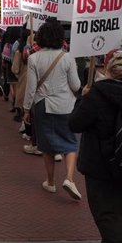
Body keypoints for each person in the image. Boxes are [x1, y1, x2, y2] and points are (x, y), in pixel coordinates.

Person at [70, 49, 122, 243]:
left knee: (106, 215)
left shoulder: (97, 94)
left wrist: (82, 99)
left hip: (99, 164)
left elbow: (75, 124)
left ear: (109, 68)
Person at [22, 20, 82, 200]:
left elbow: (31, 88)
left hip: (43, 106)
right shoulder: (68, 57)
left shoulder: (34, 58)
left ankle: (50, 182)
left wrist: (26, 109)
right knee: (71, 143)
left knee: (46, 146)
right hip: (66, 106)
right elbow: (76, 85)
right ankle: (69, 178)